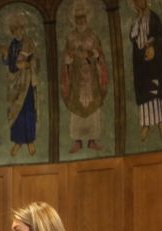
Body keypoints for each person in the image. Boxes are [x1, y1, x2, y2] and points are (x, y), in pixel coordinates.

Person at [61, 1, 109, 153]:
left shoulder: (93, 36)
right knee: (76, 108)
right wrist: (69, 59)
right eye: (77, 18)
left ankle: (92, 140)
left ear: (87, 18)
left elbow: (99, 55)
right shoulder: (70, 37)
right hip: (76, 78)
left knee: (93, 107)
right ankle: (77, 141)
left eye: (82, 17)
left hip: (91, 78)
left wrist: (92, 55)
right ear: (74, 19)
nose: (80, 20)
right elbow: (66, 56)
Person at [129, 0, 162, 141]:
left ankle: (160, 122)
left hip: (152, 60)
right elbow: (133, 37)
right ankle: (145, 124)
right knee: (144, 91)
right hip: (140, 61)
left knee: (155, 89)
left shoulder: (153, 17)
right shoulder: (135, 21)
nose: (139, 3)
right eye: (136, 1)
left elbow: (160, 37)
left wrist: (153, 46)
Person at [2, 13, 38, 156]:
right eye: (15, 29)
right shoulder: (12, 44)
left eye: (20, 28)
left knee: (28, 110)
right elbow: (9, 63)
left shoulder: (28, 42)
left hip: (26, 81)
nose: (18, 31)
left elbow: (36, 60)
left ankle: (30, 141)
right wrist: (5, 56)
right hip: (15, 82)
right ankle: (18, 141)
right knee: (15, 111)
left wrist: (29, 64)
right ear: (12, 31)